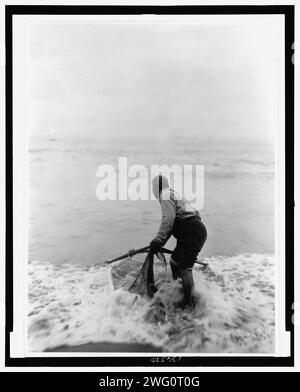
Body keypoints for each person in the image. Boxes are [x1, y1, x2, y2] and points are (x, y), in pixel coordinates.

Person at [149, 174, 207, 307]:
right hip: (195, 230)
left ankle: (189, 303)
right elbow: (173, 223)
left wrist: (158, 240)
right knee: (175, 261)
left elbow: (168, 219)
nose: (152, 191)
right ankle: (179, 289)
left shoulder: (165, 194)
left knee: (185, 268)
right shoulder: (174, 194)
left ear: (157, 187)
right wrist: (160, 242)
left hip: (192, 231)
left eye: (152, 187)